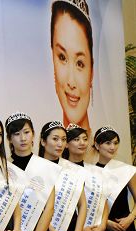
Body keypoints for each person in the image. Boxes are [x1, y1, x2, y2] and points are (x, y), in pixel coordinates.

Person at [5, 112, 60, 231]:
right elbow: (7, 210)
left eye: (26, 132)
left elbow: (49, 208)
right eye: (16, 134)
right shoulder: (5, 169)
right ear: (9, 139)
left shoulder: (46, 167)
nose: (22, 138)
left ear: (33, 135)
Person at [39, 121, 87, 231]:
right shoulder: (35, 168)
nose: (60, 144)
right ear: (43, 141)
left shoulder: (73, 170)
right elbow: (38, 210)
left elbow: (82, 205)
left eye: (63, 139)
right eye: (55, 139)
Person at [93, 126, 136, 231]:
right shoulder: (88, 171)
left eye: (116, 143)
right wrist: (106, 223)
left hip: (126, 230)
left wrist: (131, 217)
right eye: (107, 143)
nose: (112, 147)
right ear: (96, 145)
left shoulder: (126, 170)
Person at [51, 0, 93, 135]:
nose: (71, 82)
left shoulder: (104, 152)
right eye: (62, 57)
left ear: (91, 72)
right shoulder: (46, 154)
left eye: (80, 63)